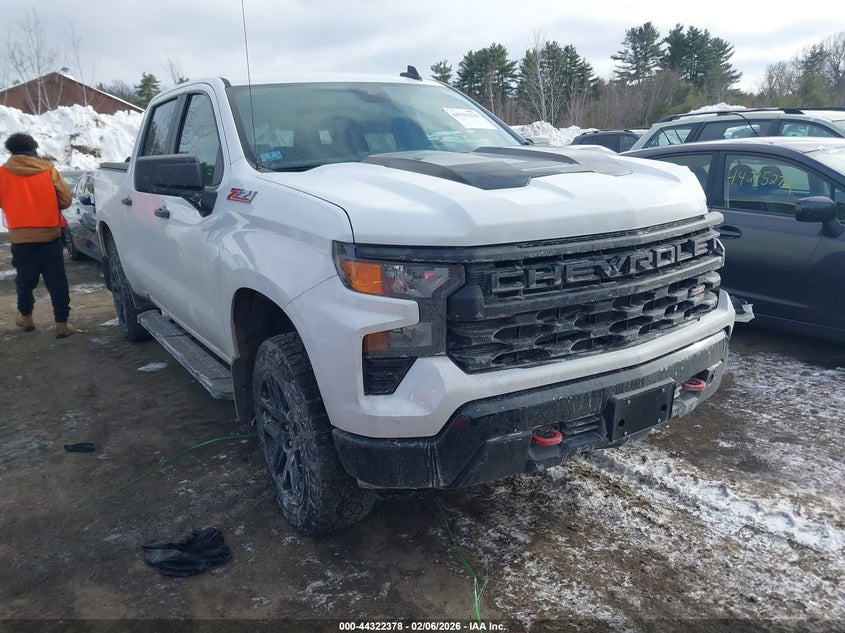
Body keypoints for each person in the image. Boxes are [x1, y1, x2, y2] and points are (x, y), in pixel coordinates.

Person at [0, 132, 74, 338]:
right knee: (57, 281)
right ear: (33, 148)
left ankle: (26, 317)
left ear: (11, 150)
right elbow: (66, 200)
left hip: (21, 238)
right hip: (50, 235)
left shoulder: (2, 173)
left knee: (25, 280)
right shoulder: (49, 170)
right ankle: (61, 324)